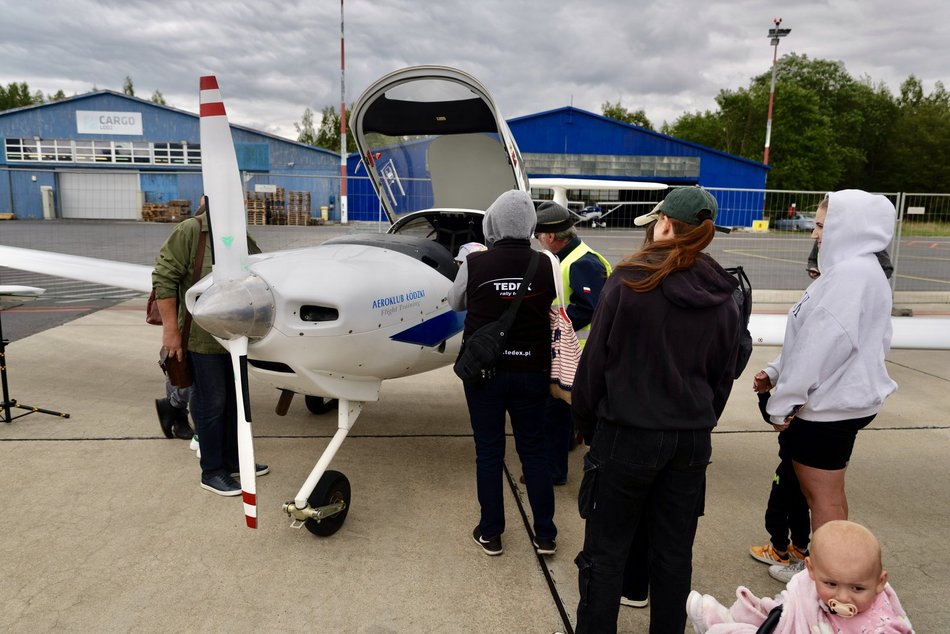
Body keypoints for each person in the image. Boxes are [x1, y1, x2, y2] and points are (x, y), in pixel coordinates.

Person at [572, 186, 741, 633]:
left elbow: (594, 366)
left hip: (626, 435)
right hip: (689, 441)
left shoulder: (629, 280)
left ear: (663, 223)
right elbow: (722, 377)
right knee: (673, 556)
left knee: (605, 554)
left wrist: (587, 425)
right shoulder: (724, 294)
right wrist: (697, 422)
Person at [755, 190, 897, 583]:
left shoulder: (850, 276)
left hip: (828, 409)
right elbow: (811, 336)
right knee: (829, 495)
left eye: (821, 226)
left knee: (823, 500)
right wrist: (777, 371)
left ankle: (826, 578)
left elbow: (820, 347)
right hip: (841, 403)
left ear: (845, 228)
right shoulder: (856, 271)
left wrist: (782, 402)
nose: (815, 235)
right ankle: (827, 568)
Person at [447, 190, 558, 557]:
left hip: (484, 371)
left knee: (489, 451)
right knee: (534, 450)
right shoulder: (546, 263)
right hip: (532, 369)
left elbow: (455, 301)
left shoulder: (475, 263)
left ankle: (491, 532)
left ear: (492, 222)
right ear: (529, 223)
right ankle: (544, 535)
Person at [152, 197, 268, 496]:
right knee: (211, 403)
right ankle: (212, 471)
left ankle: (231, 460)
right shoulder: (190, 231)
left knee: (234, 401)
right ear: (209, 200)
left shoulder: (240, 237)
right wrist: (171, 332)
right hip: (201, 338)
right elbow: (164, 279)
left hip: (234, 338)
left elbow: (262, 273)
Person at [687, 520, 913, 633]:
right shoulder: (808, 588)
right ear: (811, 570)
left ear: (880, 582)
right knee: (775, 612)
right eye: (831, 584)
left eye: (857, 588)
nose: (843, 597)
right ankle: (725, 621)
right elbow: (787, 614)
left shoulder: (882, 627)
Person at [533, 200, 611, 486]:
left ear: (551, 237)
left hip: (576, 353)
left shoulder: (582, 262)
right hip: (569, 351)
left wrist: (549, 324)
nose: (538, 241)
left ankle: (553, 472)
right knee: (562, 411)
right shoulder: (567, 258)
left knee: (554, 411)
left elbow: (588, 308)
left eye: (539, 236)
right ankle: (565, 449)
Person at [748, 392, 811, 568]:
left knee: (778, 507)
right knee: (800, 506)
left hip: (791, 462)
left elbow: (774, 415)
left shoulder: (796, 400)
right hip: (811, 465)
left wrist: (763, 394)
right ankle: (800, 547)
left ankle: (779, 550)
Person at [807, 239, 893, 280]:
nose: (814, 234)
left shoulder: (869, 240)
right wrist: (813, 268)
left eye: (821, 226)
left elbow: (887, 269)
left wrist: (859, 282)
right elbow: (812, 260)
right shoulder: (821, 239)